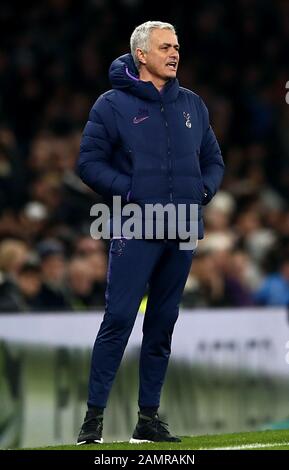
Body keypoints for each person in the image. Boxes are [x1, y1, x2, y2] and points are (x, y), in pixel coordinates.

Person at [76, 21, 224, 444]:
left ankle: (148, 420)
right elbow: (88, 163)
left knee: (162, 323)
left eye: (177, 46)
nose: (175, 53)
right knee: (120, 318)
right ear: (141, 55)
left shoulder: (192, 104)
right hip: (134, 224)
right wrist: (130, 190)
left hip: (181, 227)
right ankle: (94, 421)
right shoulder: (111, 104)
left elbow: (214, 160)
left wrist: (204, 189)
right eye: (165, 47)